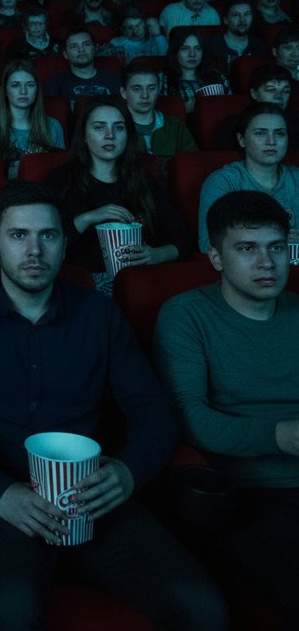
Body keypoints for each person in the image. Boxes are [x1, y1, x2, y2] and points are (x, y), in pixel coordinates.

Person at [0, 181, 228, 631]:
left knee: (202, 607)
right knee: (11, 611)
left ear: (64, 243)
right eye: (18, 236)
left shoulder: (98, 313)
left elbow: (152, 408)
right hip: (1, 500)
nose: (34, 250)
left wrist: (127, 471)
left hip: (95, 499)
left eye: (49, 235)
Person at [153, 191, 299, 626]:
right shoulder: (186, 315)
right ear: (216, 258)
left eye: (276, 248)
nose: (267, 263)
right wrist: (280, 435)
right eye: (247, 249)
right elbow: (189, 420)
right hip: (248, 491)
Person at [43, 99, 191, 288]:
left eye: (119, 128)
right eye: (99, 127)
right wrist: (89, 218)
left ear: (128, 135)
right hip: (79, 283)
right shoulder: (60, 179)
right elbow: (44, 242)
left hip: (137, 280)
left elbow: (182, 237)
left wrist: (158, 254)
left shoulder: (144, 182)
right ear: (85, 136)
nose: (110, 135)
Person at [197, 104, 299, 251]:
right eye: (260, 133)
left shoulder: (296, 178)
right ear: (242, 140)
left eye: (280, 133)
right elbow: (209, 244)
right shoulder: (223, 182)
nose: (271, 141)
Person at [0, 61, 65, 179]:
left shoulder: (53, 126)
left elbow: (60, 175)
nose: (23, 91)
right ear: (5, 90)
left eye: (30, 85)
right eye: (15, 85)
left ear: (37, 90)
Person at [120, 60, 198, 162]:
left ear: (158, 90)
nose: (145, 96)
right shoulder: (114, 127)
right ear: (124, 93)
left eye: (151, 88)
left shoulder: (176, 126)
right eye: (137, 89)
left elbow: (193, 162)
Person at [42, 29, 121, 109]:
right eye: (74, 47)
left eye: (86, 44)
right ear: (65, 54)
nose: (81, 50)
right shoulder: (54, 84)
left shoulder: (115, 79)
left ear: (95, 48)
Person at [165, 27, 231, 115]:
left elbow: (231, 106)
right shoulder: (164, 80)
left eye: (197, 48)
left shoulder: (217, 76)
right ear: (175, 52)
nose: (192, 54)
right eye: (185, 48)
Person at [203, 0, 267, 75]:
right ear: (226, 20)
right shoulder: (211, 45)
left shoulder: (258, 45)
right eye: (236, 15)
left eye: (247, 14)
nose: (242, 20)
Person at [103, 7, 168, 64]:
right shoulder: (116, 44)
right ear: (122, 29)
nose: (135, 31)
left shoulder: (157, 40)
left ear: (144, 24)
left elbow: (164, 62)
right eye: (130, 28)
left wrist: (158, 36)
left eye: (138, 25)